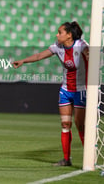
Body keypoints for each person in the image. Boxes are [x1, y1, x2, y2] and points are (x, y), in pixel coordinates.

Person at [12, 21, 88, 166]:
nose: (57, 35)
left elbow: (93, 58)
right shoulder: (58, 47)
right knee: (65, 123)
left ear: (69, 35)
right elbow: (40, 55)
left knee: (80, 125)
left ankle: (89, 159)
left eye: (60, 32)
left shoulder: (82, 46)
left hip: (81, 91)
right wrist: (23, 61)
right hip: (66, 90)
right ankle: (66, 159)